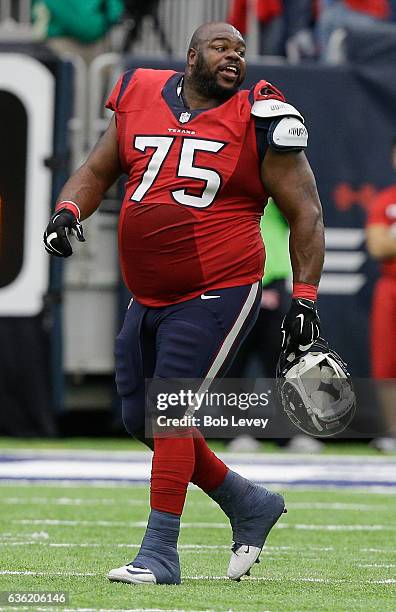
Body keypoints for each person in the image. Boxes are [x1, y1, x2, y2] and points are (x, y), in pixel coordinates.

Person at [43, 22, 324, 585]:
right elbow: (99, 168)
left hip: (220, 283)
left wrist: (305, 299)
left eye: (242, 51)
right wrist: (69, 209)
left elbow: (307, 213)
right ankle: (247, 501)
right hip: (148, 291)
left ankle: (159, 552)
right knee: (139, 416)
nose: (234, 57)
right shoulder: (140, 91)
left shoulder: (261, 115)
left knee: (171, 407)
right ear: (191, 54)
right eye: (222, 47)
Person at [366, 138, 396, 451]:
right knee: (387, 362)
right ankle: (392, 431)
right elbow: (378, 246)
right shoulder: (385, 200)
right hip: (391, 286)